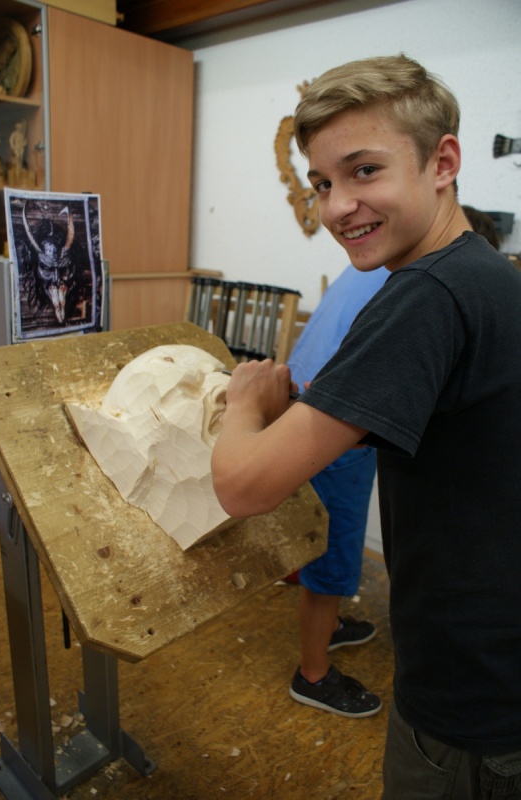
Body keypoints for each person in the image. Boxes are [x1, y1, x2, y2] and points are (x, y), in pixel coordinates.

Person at [212, 54, 521, 798]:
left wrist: (246, 402)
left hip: (469, 700)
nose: (338, 207)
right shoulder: (485, 272)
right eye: (322, 183)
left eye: (365, 171)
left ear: (442, 161)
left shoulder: (426, 295)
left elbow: (243, 485)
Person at [286, 264, 388, 718]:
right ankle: (313, 676)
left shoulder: (372, 264)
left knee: (329, 544)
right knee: (332, 553)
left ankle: (330, 627)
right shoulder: (414, 275)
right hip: (334, 424)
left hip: (315, 406)